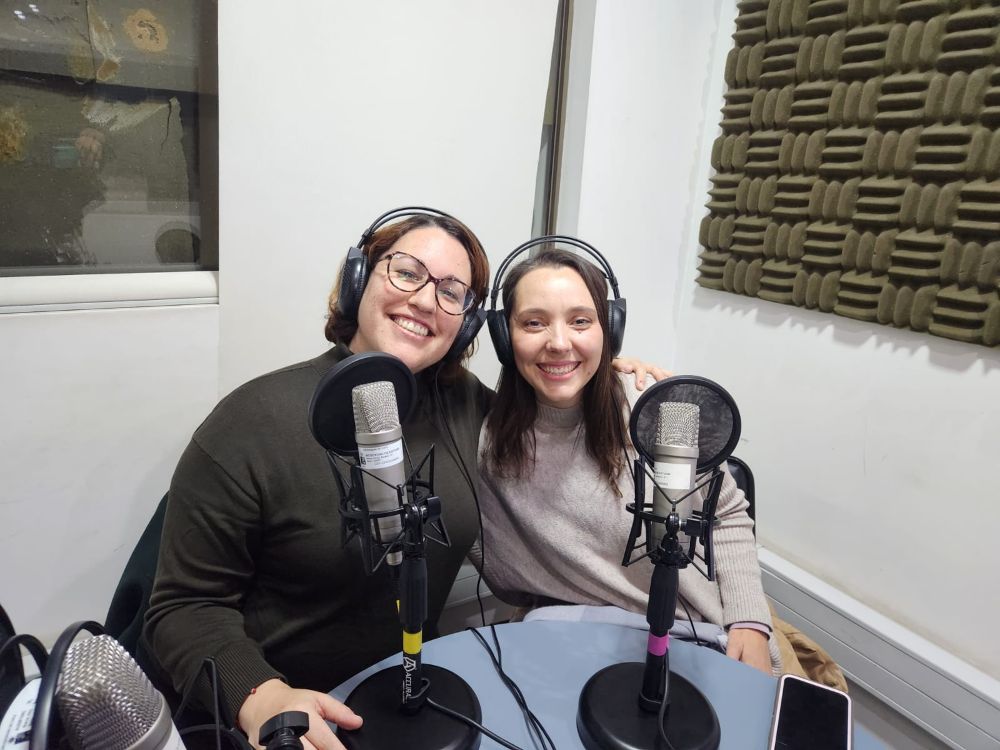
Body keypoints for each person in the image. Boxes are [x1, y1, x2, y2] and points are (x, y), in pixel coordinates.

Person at [143, 210, 664, 750]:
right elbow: (182, 607)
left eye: (451, 292)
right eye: (407, 273)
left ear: (466, 324)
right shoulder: (253, 420)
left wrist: (612, 381)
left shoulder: (464, 406)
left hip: (416, 697)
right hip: (291, 717)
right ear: (358, 280)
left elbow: (553, 427)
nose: (424, 300)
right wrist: (261, 696)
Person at [477, 246, 781, 677]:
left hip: (701, 637)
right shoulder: (488, 442)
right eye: (534, 323)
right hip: (578, 642)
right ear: (504, 337)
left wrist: (749, 621)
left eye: (580, 321)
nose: (559, 343)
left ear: (610, 330)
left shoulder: (658, 411)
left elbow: (725, 513)